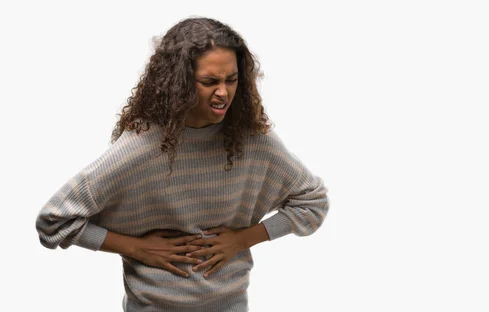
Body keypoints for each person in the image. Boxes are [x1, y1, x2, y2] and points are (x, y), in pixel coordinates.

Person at [35, 16, 329, 312]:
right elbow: (54, 222)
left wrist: (243, 239)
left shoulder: (252, 140)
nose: (223, 93)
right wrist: (135, 247)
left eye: (232, 79)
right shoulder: (142, 146)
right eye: (209, 82)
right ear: (180, 83)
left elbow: (313, 201)